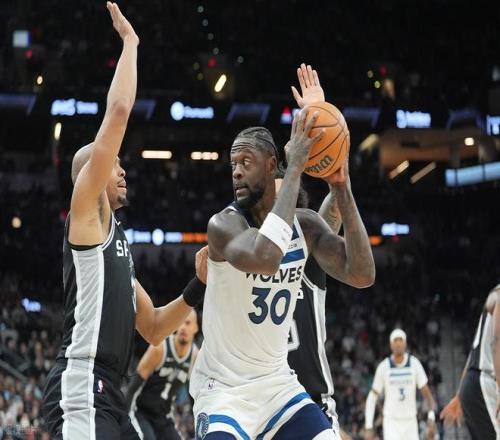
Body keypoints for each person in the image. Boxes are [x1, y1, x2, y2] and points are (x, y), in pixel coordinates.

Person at [42, 4, 205, 439]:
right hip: (82, 382)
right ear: (91, 175)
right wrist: (131, 43)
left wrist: (199, 285)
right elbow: (117, 112)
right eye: (114, 164)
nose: (123, 170)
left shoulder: (117, 248)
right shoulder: (86, 214)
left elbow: (154, 327)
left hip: (109, 391)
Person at [190, 75, 375, 439]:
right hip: (224, 391)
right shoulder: (224, 225)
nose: (236, 171)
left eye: (246, 161)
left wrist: (341, 185)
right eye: (232, 164)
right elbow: (267, 257)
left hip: (277, 386)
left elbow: (362, 273)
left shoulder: (306, 226)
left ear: (271, 164)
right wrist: (296, 167)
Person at [286, 64, 351, 440]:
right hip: (262, 402)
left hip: (311, 401)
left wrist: (324, 123)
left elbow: (334, 213)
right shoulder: (248, 248)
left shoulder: (307, 245)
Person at [126, 309, 199, 440]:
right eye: (180, 322)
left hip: (164, 416)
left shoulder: (195, 356)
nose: (183, 327)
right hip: (140, 411)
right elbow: (133, 387)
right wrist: (124, 418)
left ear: (196, 328)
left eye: (188, 323)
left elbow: (194, 395)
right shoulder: (160, 348)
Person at [440, 284, 500, 440]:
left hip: (477, 382)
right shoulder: (498, 295)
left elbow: (473, 354)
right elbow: (496, 343)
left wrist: (459, 394)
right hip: (485, 382)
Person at [364, 329, 437, 440]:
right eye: (395, 340)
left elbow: (428, 395)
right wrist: (368, 425)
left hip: (410, 422)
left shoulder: (414, 364)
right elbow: (372, 397)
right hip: (391, 422)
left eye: (401, 340)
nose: (398, 343)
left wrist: (431, 417)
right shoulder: (384, 367)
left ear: (405, 343)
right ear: (391, 345)